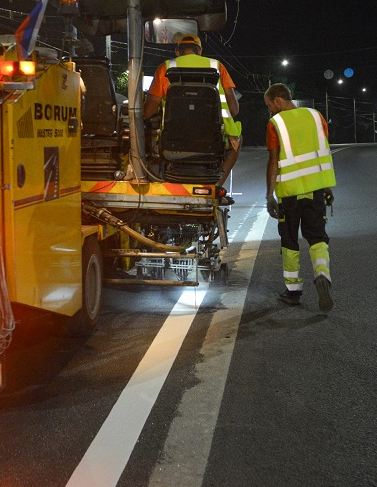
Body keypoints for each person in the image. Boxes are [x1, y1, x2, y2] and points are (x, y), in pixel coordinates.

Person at [264, 83, 336, 311]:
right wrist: (326, 187)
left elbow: (274, 161)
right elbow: (322, 150)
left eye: (269, 105)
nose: (269, 110)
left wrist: (269, 194)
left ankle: (293, 291)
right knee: (317, 238)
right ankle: (322, 274)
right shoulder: (317, 117)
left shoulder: (276, 124)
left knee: (290, 242)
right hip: (316, 190)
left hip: (289, 194)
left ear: (277, 100)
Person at [143, 33, 241, 189]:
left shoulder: (165, 67)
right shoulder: (217, 66)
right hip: (212, 142)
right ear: (200, 51)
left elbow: (147, 112)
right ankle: (216, 186)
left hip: (172, 142)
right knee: (238, 138)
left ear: (177, 51)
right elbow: (234, 110)